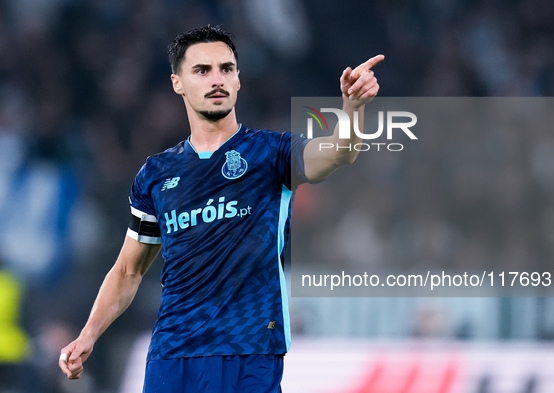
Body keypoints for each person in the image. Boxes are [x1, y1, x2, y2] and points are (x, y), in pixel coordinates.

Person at [59, 25, 383, 392]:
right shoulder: (156, 174)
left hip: (249, 350)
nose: (217, 79)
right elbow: (128, 271)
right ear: (177, 82)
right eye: (202, 70)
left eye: (226, 69)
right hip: (172, 353)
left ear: (239, 80)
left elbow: (337, 154)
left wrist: (352, 110)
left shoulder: (271, 154)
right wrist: (88, 335)